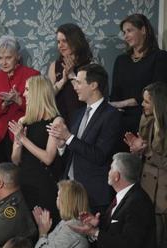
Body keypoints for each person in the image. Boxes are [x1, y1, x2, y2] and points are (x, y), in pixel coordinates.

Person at [47, 63, 122, 213]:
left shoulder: (111, 116)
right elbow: (73, 148)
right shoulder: (78, 113)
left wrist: (68, 137)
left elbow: (100, 155)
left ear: (93, 85)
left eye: (79, 82)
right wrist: (62, 145)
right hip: (70, 191)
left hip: (92, 194)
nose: (75, 87)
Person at [69, 152, 156, 248]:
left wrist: (95, 232)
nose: (108, 172)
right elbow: (116, 230)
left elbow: (131, 244)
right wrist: (97, 224)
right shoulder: (124, 196)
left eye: (111, 169)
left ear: (117, 176)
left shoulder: (138, 202)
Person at [124, 82, 167, 248]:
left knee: (159, 245)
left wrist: (147, 151)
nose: (142, 105)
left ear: (158, 104)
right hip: (145, 192)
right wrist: (136, 151)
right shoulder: (145, 121)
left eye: (147, 102)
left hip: (162, 197)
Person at [110, 14, 167, 151]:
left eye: (130, 31)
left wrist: (124, 103)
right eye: (124, 32)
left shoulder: (160, 58)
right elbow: (115, 95)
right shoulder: (121, 60)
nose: (126, 36)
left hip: (148, 122)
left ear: (143, 30)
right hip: (121, 124)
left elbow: (156, 93)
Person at [9, 75, 62, 222]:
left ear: (38, 92)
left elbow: (48, 158)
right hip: (24, 181)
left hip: (44, 183)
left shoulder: (56, 121)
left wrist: (23, 139)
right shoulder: (23, 120)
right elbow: (15, 160)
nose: (24, 94)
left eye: (27, 90)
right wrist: (18, 144)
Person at [0, 35, 40, 163]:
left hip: (25, 134)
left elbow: (39, 109)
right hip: (0, 136)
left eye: (8, 58)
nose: (3, 63)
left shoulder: (32, 75)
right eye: (0, 58)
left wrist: (19, 101)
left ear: (18, 56)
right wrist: (3, 105)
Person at [33, 180, 89, 248]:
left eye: (59, 196)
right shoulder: (68, 223)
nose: (56, 198)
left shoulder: (72, 228)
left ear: (66, 201)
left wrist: (42, 232)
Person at [48, 23, 92, 126]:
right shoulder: (54, 66)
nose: (60, 45)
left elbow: (89, 96)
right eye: (58, 42)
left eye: (64, 41)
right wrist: (63, 80)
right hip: (58, 120)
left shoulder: (89, 66)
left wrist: (71, 75)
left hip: (81, 120)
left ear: (75, 41)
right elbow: (48, 96)